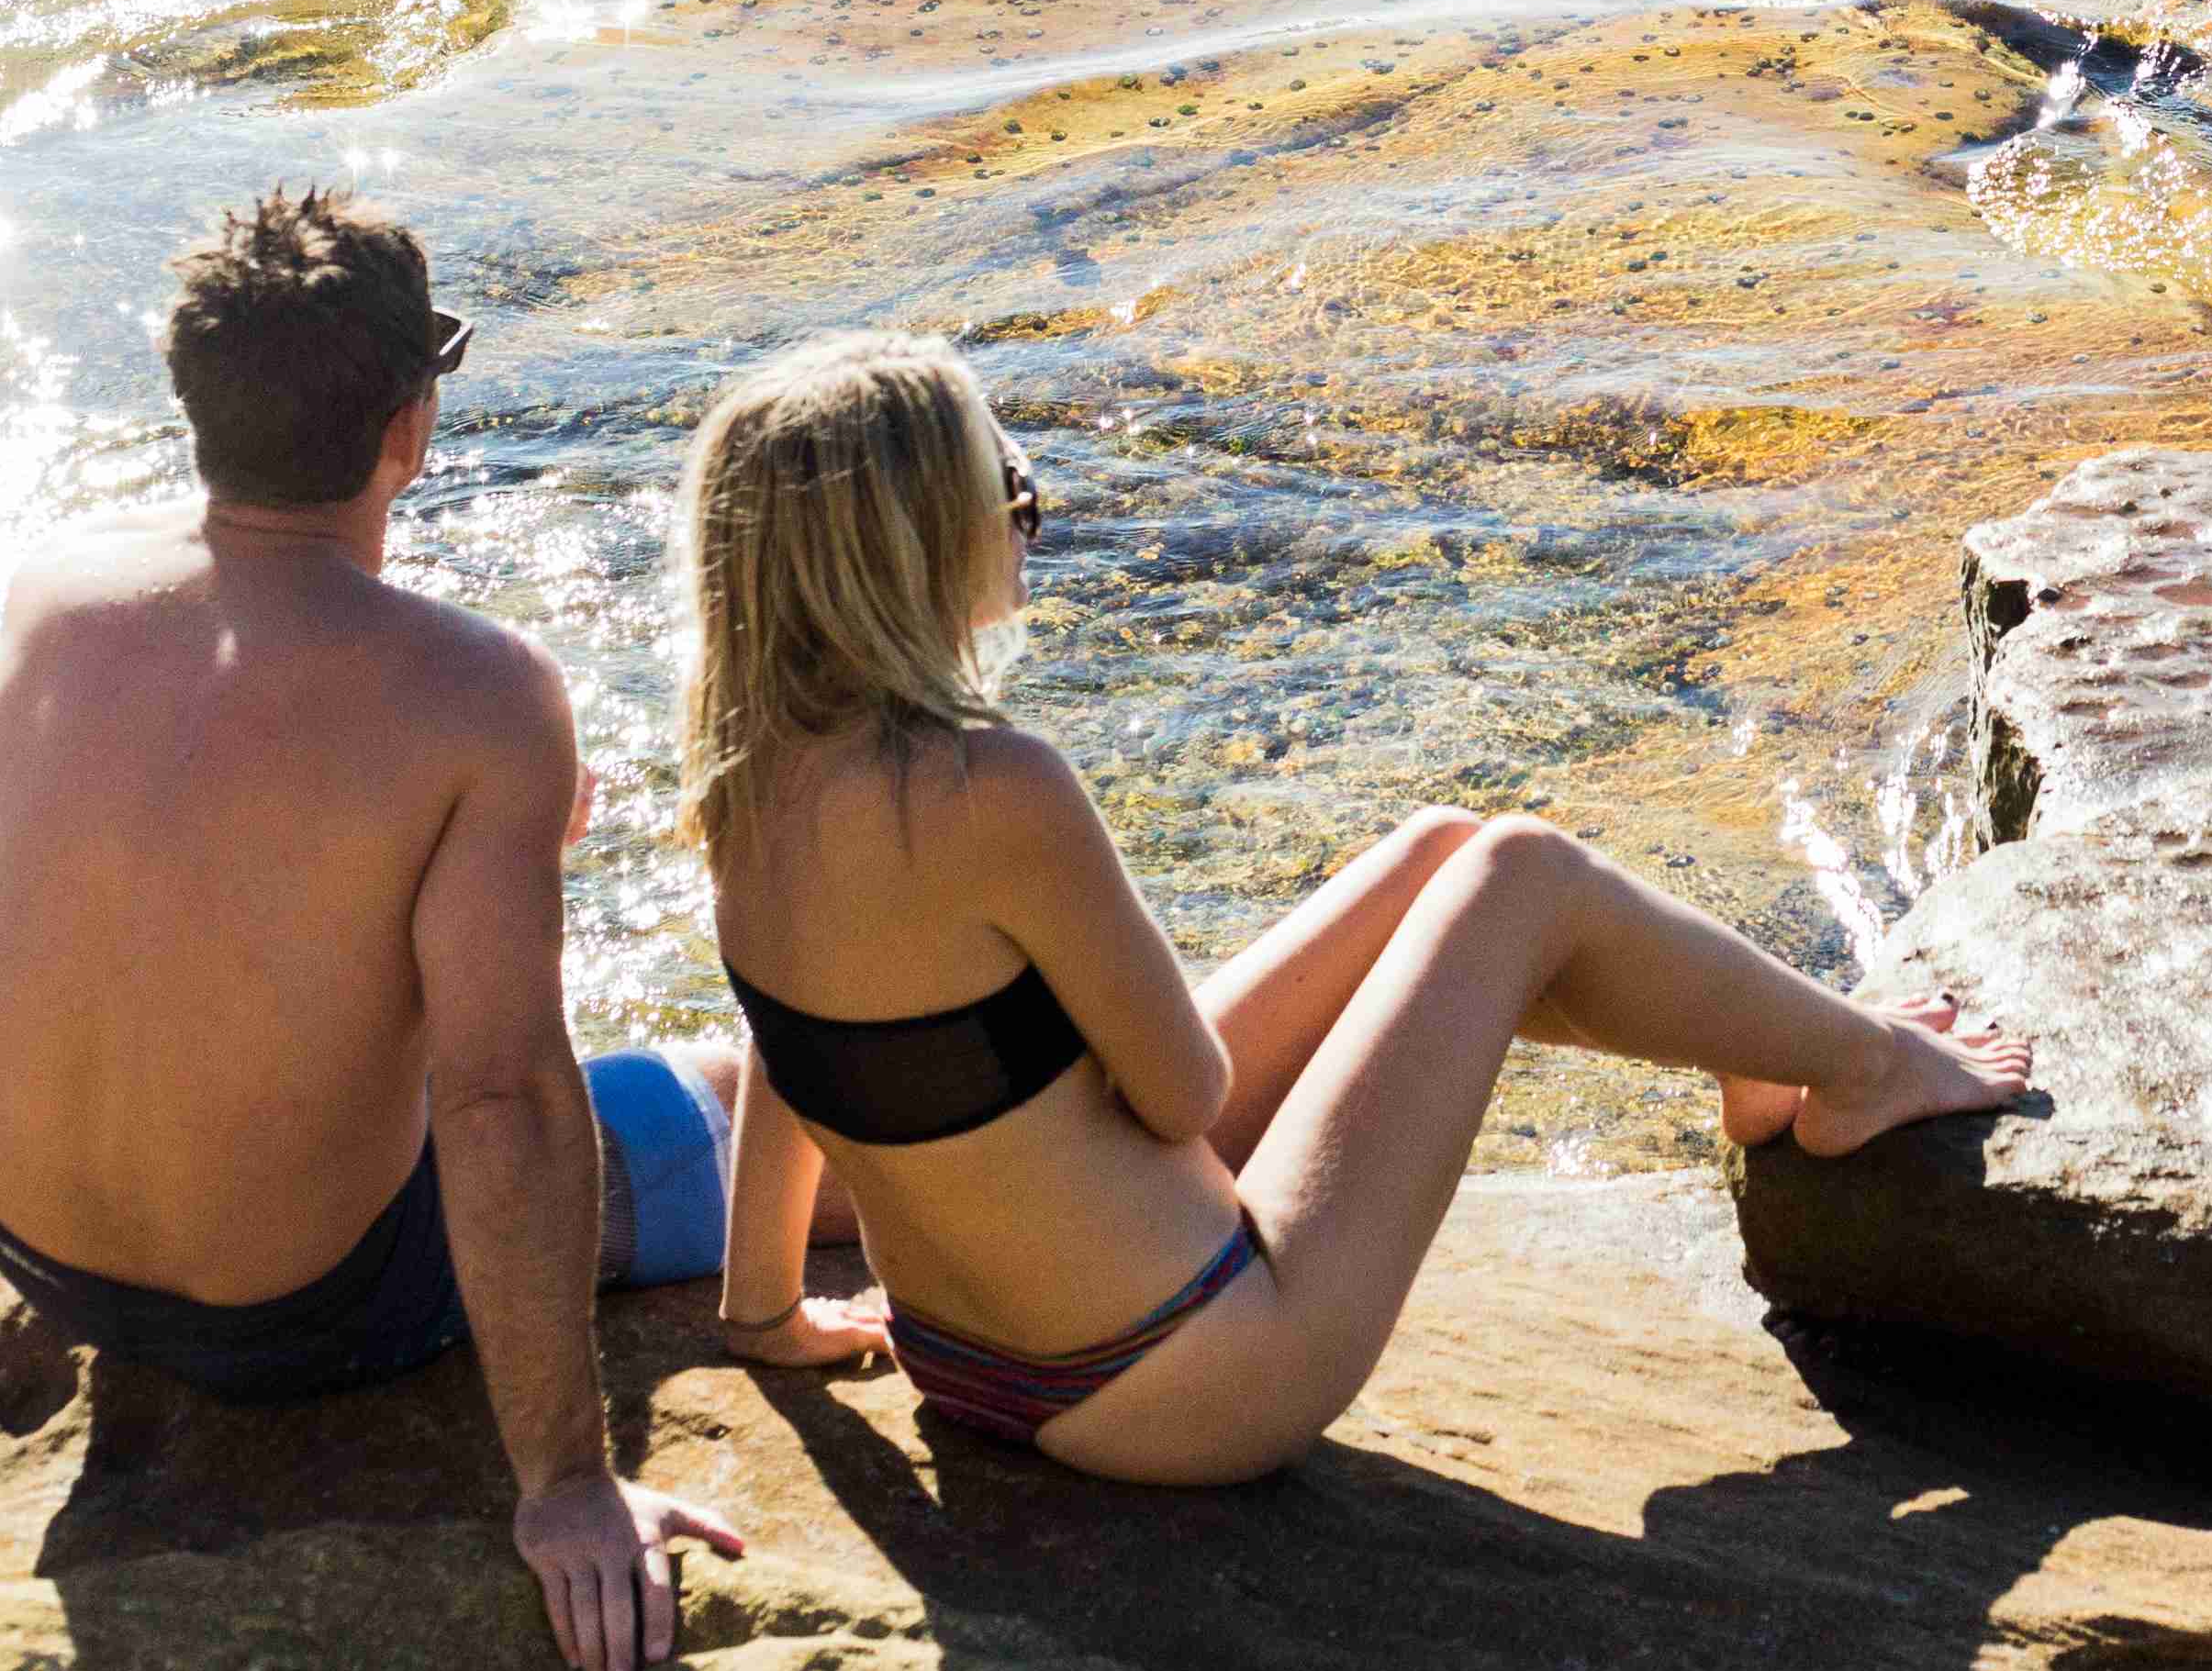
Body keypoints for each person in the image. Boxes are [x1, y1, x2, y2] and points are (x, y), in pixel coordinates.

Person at [675, 330, 2032, 1479]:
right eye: (1009, 490)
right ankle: (1863, 1062)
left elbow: (791, 1065)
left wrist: (765, 1317)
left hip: (964, 1360)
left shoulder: (744, 789)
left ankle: (1754, 1043)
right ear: (918, 548)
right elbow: (1183, 1097)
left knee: (1440, 850)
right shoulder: (994, 791)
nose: (1027, 518)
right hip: (1195, 1371)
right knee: (1521, 874)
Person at [0, 188, 864, 1671]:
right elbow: (500, 1098)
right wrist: (566, 1484)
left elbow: (189, 870)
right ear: (409, 425)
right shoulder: (479, 693)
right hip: (295, 1314)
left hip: (27, 1239)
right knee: (775, 1098)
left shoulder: (52, 595)